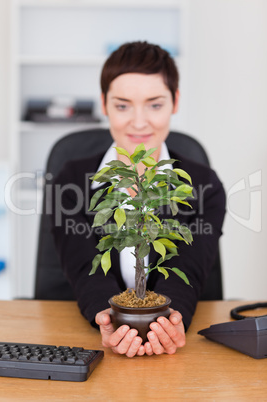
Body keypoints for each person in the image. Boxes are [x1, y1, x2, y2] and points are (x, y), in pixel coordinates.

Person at [51, 41, 226, 357]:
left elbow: (191, 265)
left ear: (175, 102)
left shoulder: (204, 185)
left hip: (183, 352)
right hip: (92, 344)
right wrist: (107, 318)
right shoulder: (70, 181)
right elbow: (83, 266)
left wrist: (173, 321)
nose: (140, 121)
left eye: (155, 104)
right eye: (122, 105)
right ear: (104, 104)